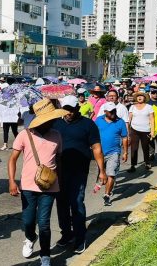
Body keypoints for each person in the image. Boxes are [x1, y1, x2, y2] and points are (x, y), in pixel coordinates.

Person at [8, 99, 67, 266]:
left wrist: (60, 182)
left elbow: (59, 160)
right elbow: (12, 159)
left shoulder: (56, 135)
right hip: (28, 186)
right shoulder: (24, 135)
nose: (54, 122)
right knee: (28, 220)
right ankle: (30, 237)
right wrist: (12, 182)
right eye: (51, 119)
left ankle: (45, 255)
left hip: (50, 187)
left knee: (44, 223)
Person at [53, 95, 107, 254]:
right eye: (66, 109)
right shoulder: (56, 124)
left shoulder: (88, 124)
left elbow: (96, 148)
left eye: (71, 109)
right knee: (61, 205)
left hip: (79, 171)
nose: (69, 113)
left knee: (76, 203)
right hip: (59, 172)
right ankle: (66, 234)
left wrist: (102, 171)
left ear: (77, 108)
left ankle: (80, 237)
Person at [94, 102, 128, 206]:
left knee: (111, 173)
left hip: (114, 152)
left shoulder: (120, 122)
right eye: (111, 111)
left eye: (114, 110)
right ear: (105, 112)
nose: (113, 113)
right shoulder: (99, 120)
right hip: (100, 153)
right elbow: (92, 134)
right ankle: (100, 182)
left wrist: (125, 152)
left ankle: (107, 195)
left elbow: (124, 137)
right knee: (102, 173)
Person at [127, 91, 155, 172]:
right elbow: (129, 119)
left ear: (145, 98)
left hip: (146, 130)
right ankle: (133, 165)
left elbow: (152, 119)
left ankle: (147, 162)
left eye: (142, 96)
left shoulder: (149, 107)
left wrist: (152, 132)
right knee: (134, 148)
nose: (140, 97)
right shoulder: (132, 107)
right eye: (138, 96)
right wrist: (128, 131)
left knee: (145, 147)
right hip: (134, 130)